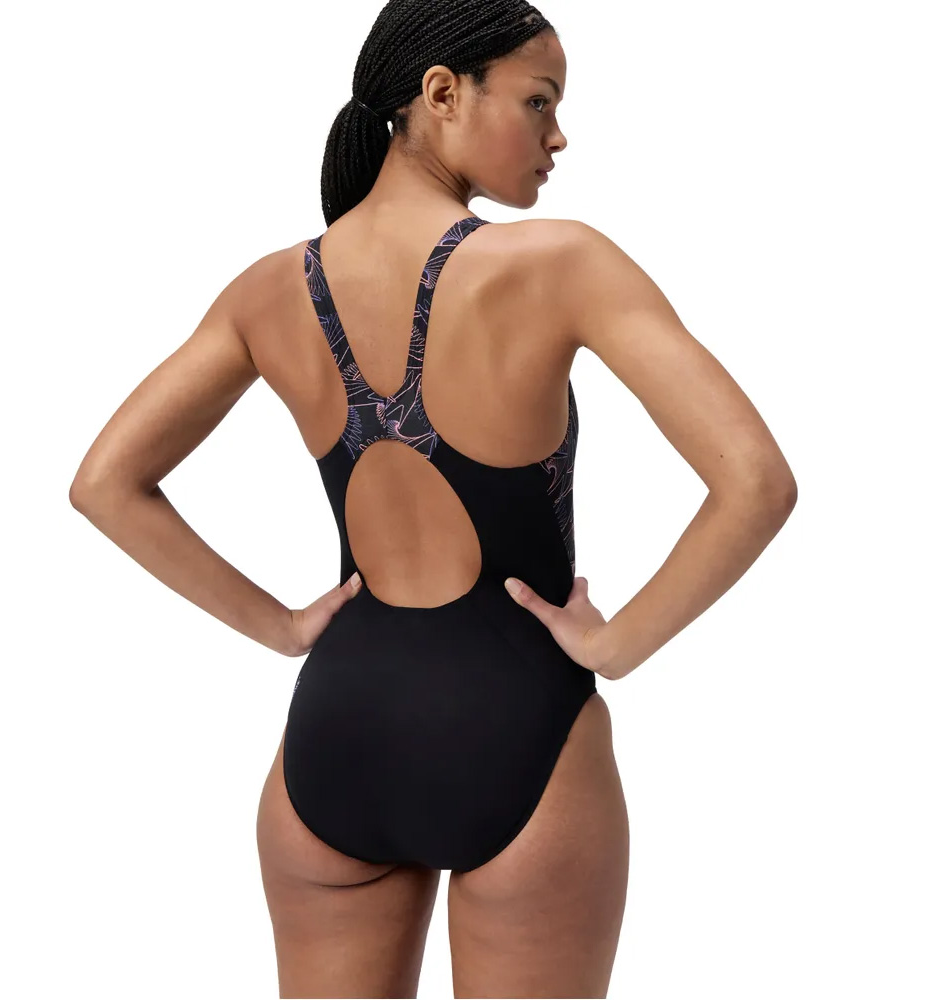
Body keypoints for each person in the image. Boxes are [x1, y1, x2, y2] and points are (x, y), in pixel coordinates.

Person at [69, 1, 798, 996]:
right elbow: (754, 479)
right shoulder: (561, 263)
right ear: (443, 93)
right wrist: (615, 645)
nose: (558, 136)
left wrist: (283, 628)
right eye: (539, 101)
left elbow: (105, 483)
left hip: (334, 736)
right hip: (520, 727)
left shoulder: (268, 290)